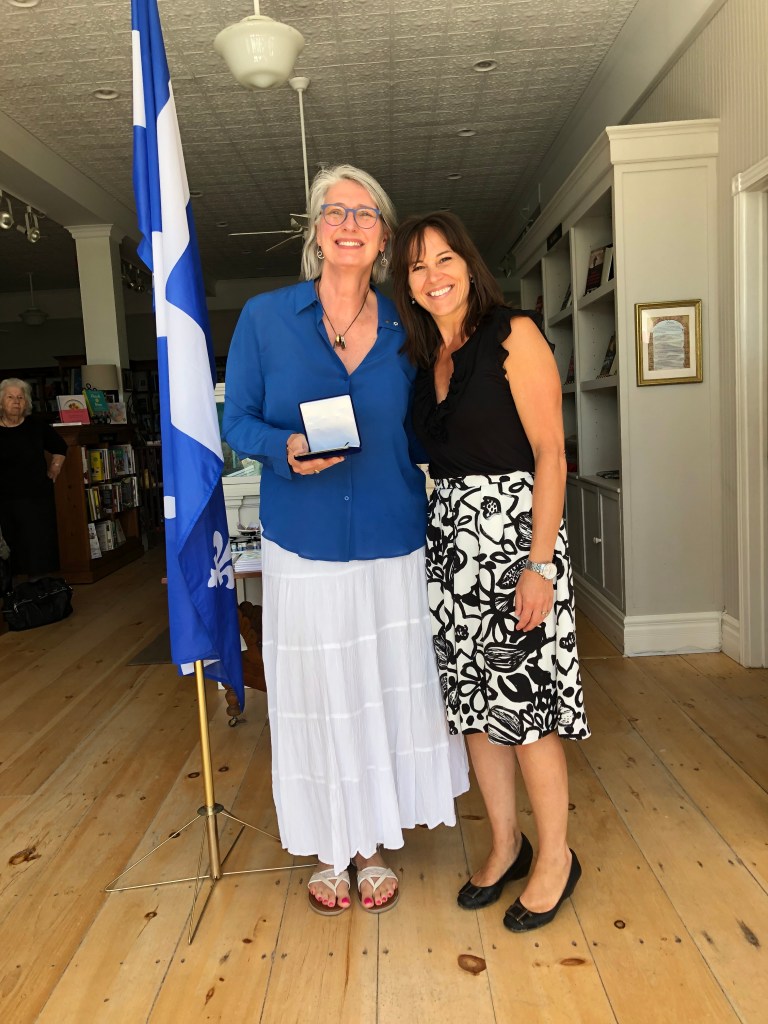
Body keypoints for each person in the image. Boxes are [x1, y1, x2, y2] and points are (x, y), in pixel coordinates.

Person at [223, 166, 468, 916]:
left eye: (365, 212)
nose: (350, 223)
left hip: (394, 535)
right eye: (336, 211)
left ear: (385, 238)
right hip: (305, 536)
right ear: (315, 230)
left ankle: (370, 845)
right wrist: (285, 446)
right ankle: (331, 844)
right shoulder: (265, 318)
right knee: (322, 694)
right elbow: (236, 423)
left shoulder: (411, 326)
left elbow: (437, 424)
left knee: (381, 688)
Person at [391, 211, 590, 933]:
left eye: (446, 258)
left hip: (514, 543)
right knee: (475, 709)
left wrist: (540, 563)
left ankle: (557, 857)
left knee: (527, 709)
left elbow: (551, 454)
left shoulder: (516, 334)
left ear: (469, 265)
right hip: (449, 550)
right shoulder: (423, 363)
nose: (434, 275)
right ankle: (507, 843)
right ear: (406, 284)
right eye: (417, 266)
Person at [0, 377, 67, 582]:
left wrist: (54, 470)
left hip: (36, 496)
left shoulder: (37, 426)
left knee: (37, 548)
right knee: (10, 548)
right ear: (1, 402)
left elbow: (60, 447)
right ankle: (13, 593)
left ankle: (37, 593)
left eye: (20, 397)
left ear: (27, 402)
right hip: (4, 498)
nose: (16, 401)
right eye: (10, 397)